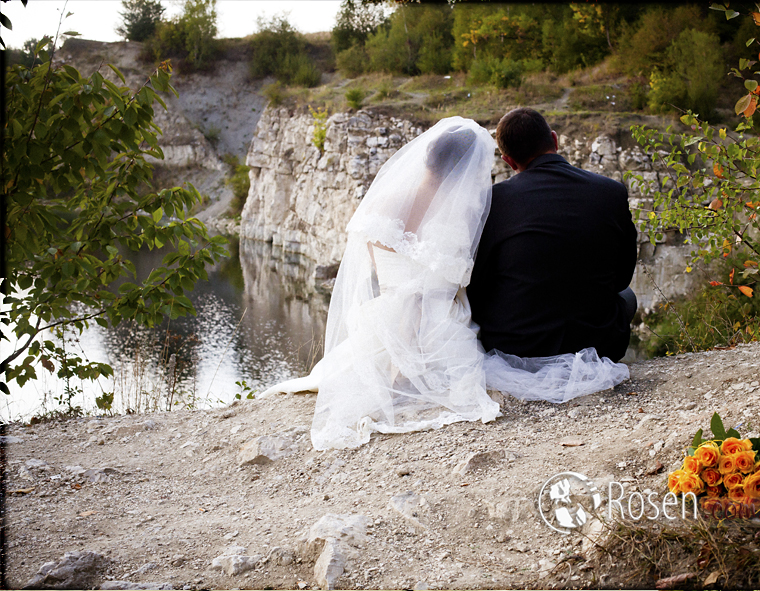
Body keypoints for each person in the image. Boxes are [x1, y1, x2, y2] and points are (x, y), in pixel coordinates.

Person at [261, 117, 501, 450]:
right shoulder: (462, 214)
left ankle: (393, 370)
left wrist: (401, 288)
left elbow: (371, 265)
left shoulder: (385, 201)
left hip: (385, 319)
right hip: (442, 328)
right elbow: (458, 279)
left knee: (356, 367)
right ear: (462, 168)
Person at [468, 108, 637, 397]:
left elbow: (477, 287)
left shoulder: (491, 203)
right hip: (597, 343)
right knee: (628, 297)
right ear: (555, 141)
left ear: (508, 161)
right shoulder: (611, 192)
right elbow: (621, 279)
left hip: (515, 349)